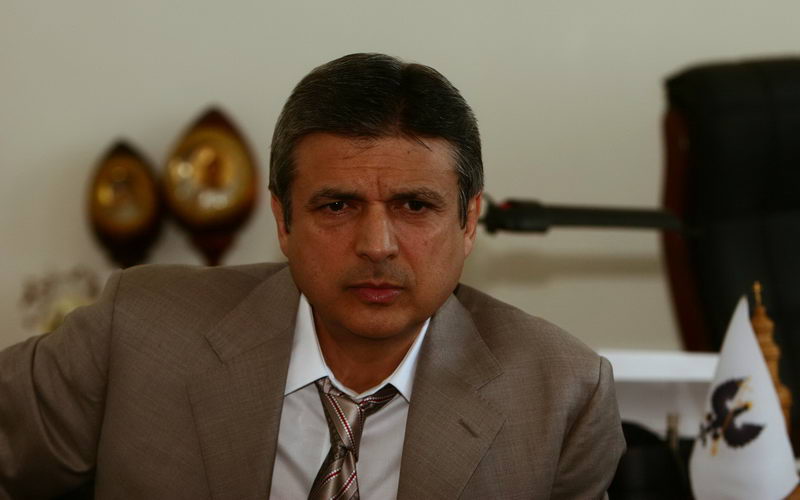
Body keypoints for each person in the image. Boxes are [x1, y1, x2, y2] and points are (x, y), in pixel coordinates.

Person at [0, 53, 625, 499]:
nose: (376, 246)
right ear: (283, 219)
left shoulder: (559, 395)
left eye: (414, 206)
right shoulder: (139, 332)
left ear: (468, 222)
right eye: (337, 206)